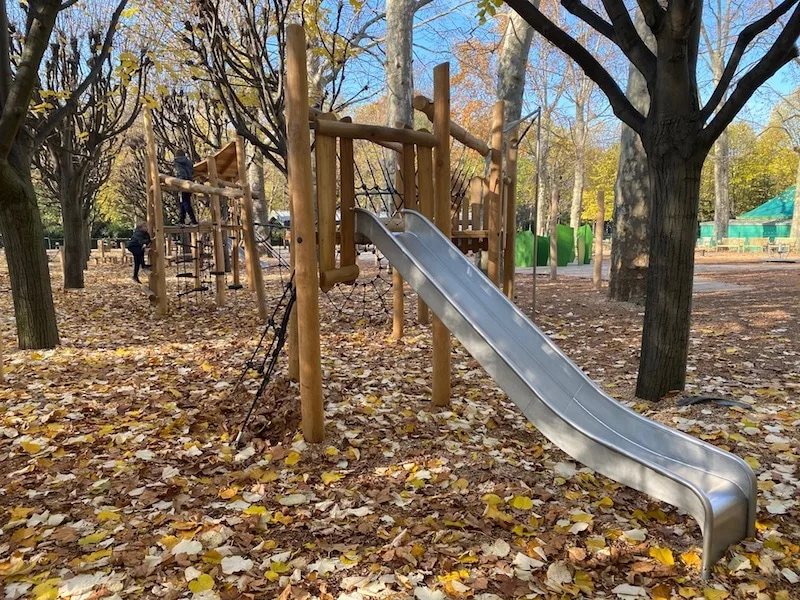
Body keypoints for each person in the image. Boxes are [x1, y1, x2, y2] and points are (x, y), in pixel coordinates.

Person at [174, 149, 198, 225]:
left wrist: (178, 179)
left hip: (181, 181)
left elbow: (178, 171)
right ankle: (182, 220)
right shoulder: (189, 162)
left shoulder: (176, 161)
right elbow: (192, 171)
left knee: (185, 202)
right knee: (184, 201)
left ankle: (193, 220)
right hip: (190, 181)